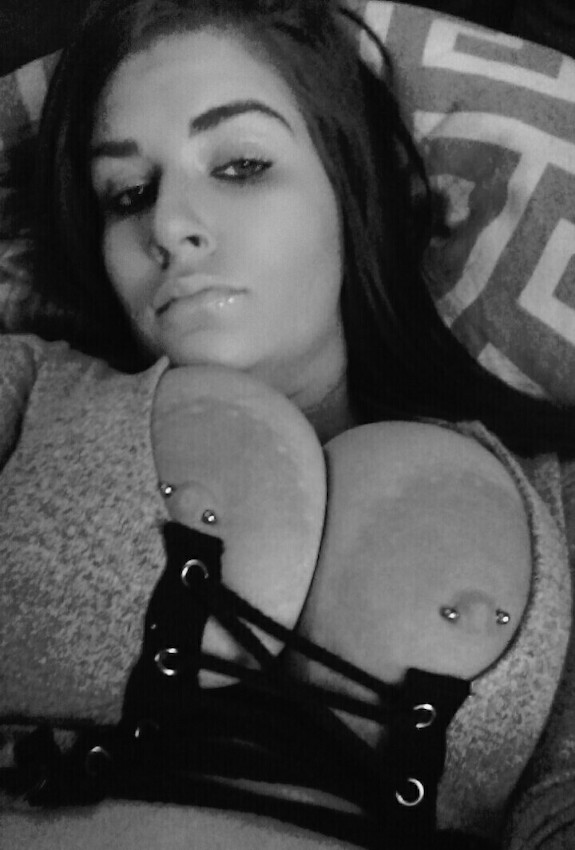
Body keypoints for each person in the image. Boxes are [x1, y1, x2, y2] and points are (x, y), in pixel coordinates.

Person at [0, 1, 573, 848]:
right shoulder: (32, 387)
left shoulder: (555, 498)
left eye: (240, 165)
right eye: (128, 193)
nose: (168, 225)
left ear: (354, 185)